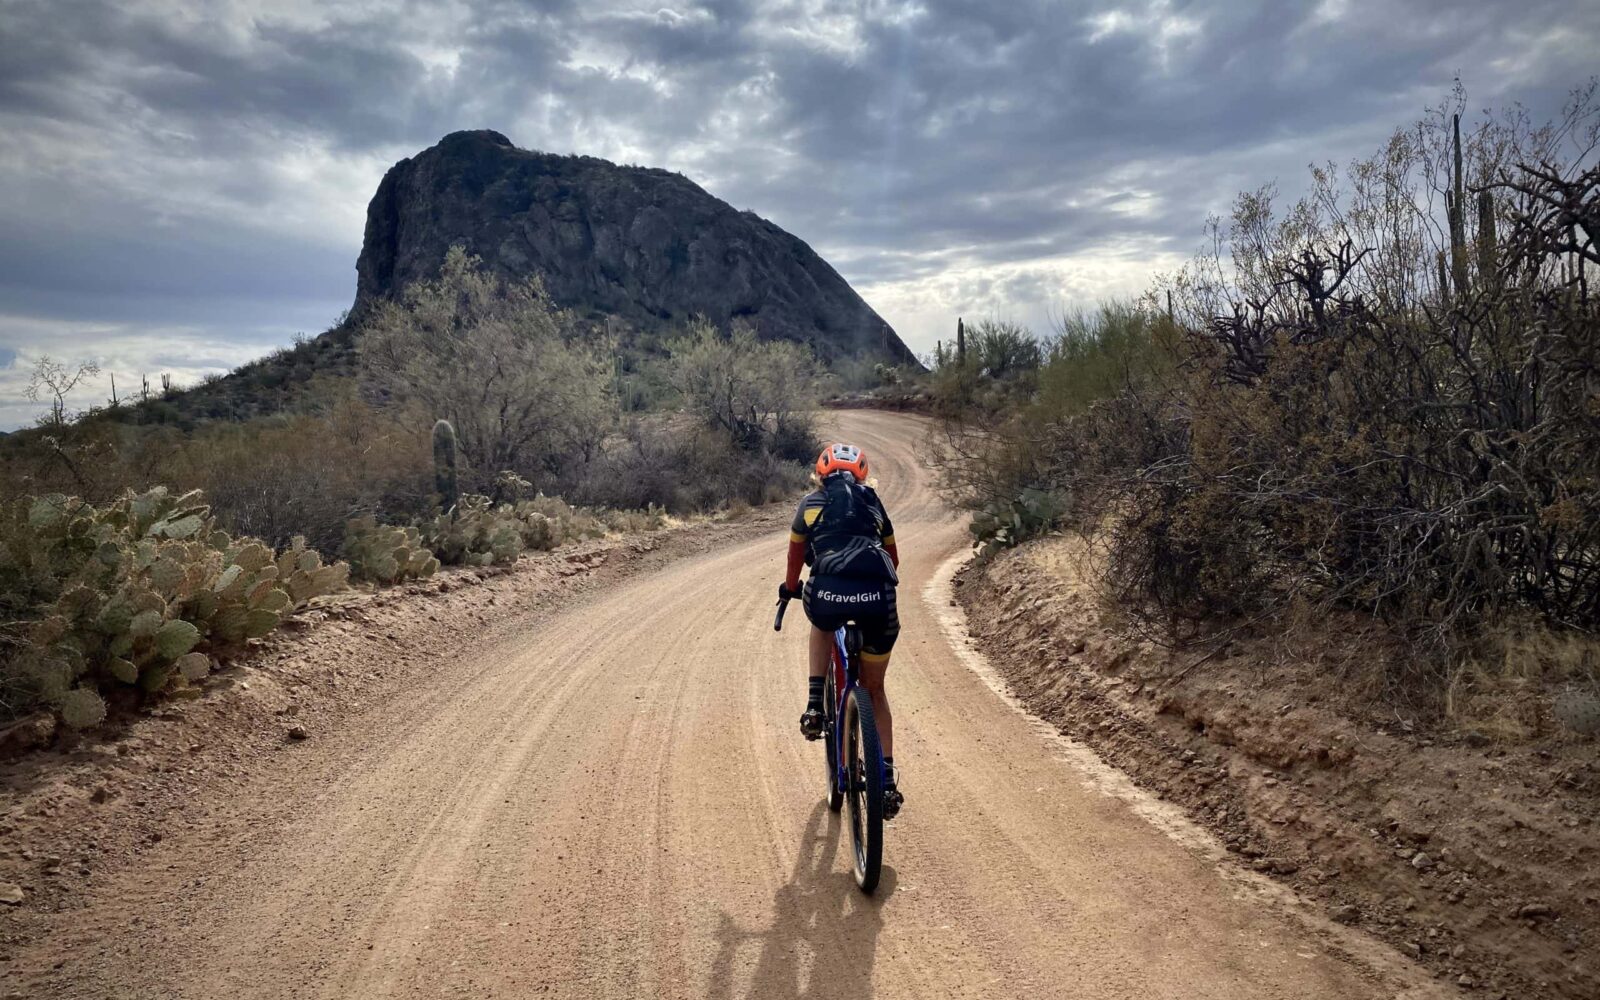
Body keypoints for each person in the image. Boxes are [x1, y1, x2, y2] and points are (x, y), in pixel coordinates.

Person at [779, 442, 903, 817]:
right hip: (879, 600)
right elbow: (894, 559)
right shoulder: (874, 503)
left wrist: (789, 589)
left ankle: (815, 704)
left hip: (829, 595)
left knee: (821, 620)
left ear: (820, 475)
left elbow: (795, 558)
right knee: (875, 690)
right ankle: (884, 782)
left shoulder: (809, 505)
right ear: (862, 475)